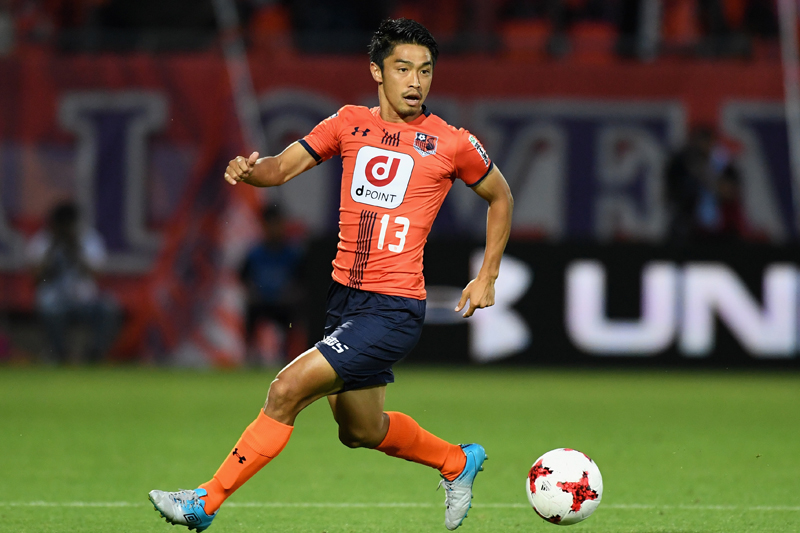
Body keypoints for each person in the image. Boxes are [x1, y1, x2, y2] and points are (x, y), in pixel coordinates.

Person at [149, 18, 513, 532]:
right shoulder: (347, 123)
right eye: (403, 68)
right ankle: (457, 461)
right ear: (377, 72)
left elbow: (501, 196)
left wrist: (487, 274)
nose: (415, 82)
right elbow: (280, 168)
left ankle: (204, 502)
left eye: (425, 70)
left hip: (393, 308)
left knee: (286, 389)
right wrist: (251, 171)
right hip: (344, 301)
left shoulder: (451, 143)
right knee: (359, 430)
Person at [25, 201, 118, 364]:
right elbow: (37, 279)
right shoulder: (43, 241)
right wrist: (52, 251)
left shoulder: (88, 239)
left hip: (84, 300)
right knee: (50, 310)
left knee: (108, 308)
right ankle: (60, 354)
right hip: (54, 302)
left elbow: (96, 274)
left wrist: (76, 251)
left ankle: (94, 354)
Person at [239, 203, 305, 366]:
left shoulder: (291, 253)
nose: (274, 228)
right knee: (250, 313)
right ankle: (250, 360)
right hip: (260, 303)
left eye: (277, 223)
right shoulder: (255, 253)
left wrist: (291, 294)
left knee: (294, 319)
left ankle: (290, 360)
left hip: (284, 304)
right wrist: (252, 293)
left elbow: (301, 280)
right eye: (270, 224)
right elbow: (243, 277)